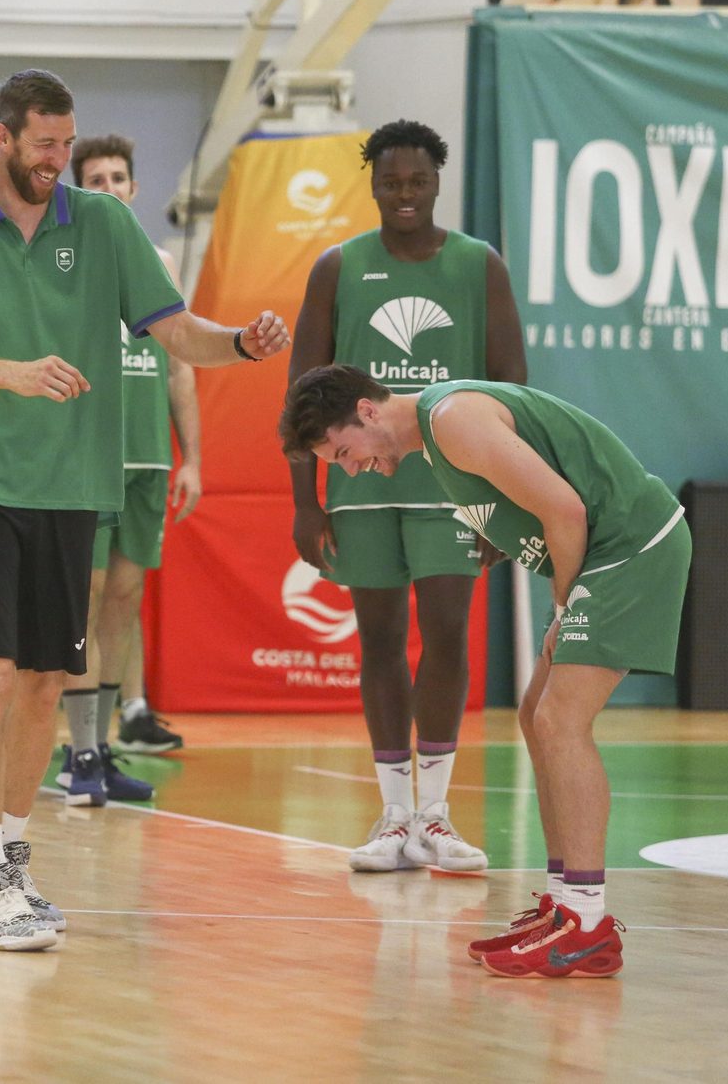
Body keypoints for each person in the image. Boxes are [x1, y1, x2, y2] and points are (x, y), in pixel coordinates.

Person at [0, 70, 290, 951]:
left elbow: (176, 331)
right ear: (2, 137)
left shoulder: (103, 224)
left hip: (74, 484)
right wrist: (8, 371)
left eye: (67, 145)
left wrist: (241, 345)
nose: (59, 161)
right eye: (44, 146)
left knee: (43, 681)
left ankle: (16, 862)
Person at [281, 365, 691, 977]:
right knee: (535, 716)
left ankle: (585, 922)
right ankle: (562, 908)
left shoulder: (452, 421)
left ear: (368, 411)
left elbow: (566, 510)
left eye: (343, 451)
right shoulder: (436, 437)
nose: (347, 467)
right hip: (608, 551)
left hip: (628, 548)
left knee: (560, 721)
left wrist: (562, 606)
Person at [286, 120, 526, 875]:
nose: (405, 195)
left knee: (448, 635)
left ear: (438, 181)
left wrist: (506, 497)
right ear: (372, 186)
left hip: (455, 483)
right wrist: (305, 498)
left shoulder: (478, 265)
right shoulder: (338, 266)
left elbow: (515, 388)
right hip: (359, 485)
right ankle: (394, 816)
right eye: (390, 182)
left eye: (417, 181)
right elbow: (301, 393)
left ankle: (437, 815)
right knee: (381, 638)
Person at [56, 133, 196, 808]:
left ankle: (103, 747)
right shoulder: (64, 263)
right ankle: (77, 749)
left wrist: (192, 455)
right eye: (96, 179)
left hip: (147, 457)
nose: (109, 188)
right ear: (78, 190)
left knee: (122, 599)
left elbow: (182, 366)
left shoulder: (161, 265)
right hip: (88, 457)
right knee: (82, 598)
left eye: (119, 178)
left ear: (135, 188)